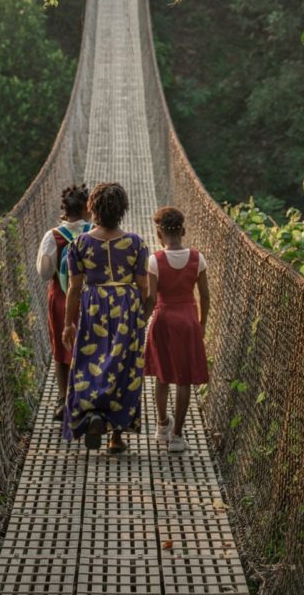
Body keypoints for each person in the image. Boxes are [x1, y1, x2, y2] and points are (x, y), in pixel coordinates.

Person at [61, 182, 149, 453]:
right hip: (126, 306)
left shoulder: (79, 243)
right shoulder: (136, 243)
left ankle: (94, 414)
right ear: (122, 209)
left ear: (93, 208)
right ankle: (116, 436)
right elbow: (143, 286)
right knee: (123, 369)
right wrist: (141, 313)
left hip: (93, 306)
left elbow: (74, 288)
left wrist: (68, 323)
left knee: (90, 362)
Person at [144, 206, 210, 454]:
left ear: (159, 234)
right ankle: (178, 436)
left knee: (162, 376)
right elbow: (205, 295)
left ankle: (162, 425)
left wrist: (141, 322)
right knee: (184, 379)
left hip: (163, 320)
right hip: (188, 322)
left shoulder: (154, 261)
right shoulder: (198, 258)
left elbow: (151, 299)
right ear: (183, 230)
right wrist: (202, 324)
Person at [35, 185, 91, 420]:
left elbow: (44, 273)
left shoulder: (53, 236)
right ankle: (86, 397)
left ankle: (62, 399)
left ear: (64, 209)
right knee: (89, 348)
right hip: (90, 299)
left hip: (60, 297)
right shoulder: (96, 232)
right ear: (88, 208)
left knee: (61, 350)